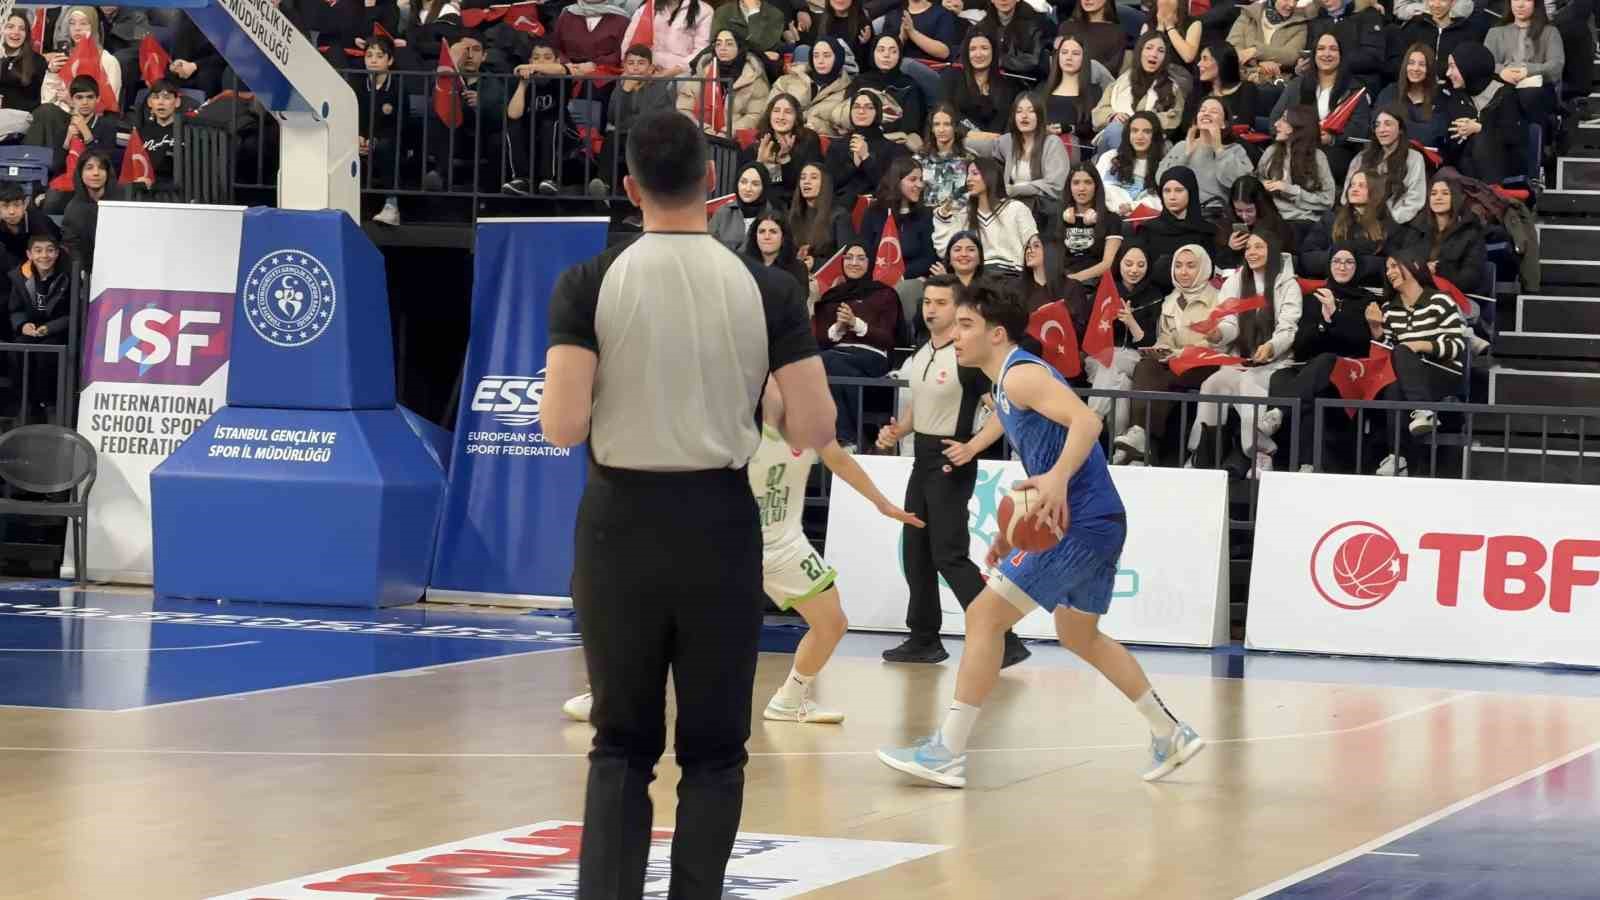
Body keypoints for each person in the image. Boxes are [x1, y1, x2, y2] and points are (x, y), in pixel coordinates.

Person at [540, 110, 835, 899]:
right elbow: (813, 426)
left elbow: (564, 424)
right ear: (712, 184)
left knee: (620, 745)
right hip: (718, 525)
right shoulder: (767, 287)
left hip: (619, 524)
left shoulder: (588, 281)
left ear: (630, 187)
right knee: (713, 751)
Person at [877, 276, 1203, 788]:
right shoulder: (1001, 386)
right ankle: (1171, 733)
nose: (955, 334)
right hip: (1093, 523)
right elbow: (1041, 463)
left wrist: (1057, 479)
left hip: (1081, 522)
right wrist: (1013, 530)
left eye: (966, 325)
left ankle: (946, 752)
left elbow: (1086, 423)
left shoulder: (1019, 377)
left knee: (984, 617)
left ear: (998, 334)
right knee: (1079, 635)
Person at [565, 374, 925, 726]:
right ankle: (604, 694)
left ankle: (790, 699)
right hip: (727, 546)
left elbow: (842, 463)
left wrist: (882, 504)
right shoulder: (730, 430)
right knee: (666, 627)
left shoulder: (810, 425)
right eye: (770, 378)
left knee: (832, 623)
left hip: (785, 547)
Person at [875, 274, 1028, 667]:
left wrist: (973, 445)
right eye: (927, 301)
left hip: (949, 460)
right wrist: (897, 431)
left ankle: (1002, 637)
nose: (930, 309)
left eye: (941, 303)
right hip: (921, 457)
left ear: (958, 309)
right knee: (916, 553)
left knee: (949, 554)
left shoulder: (967, 360)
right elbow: (920, 404)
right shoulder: (923, 352)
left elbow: (1003, 411)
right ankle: (924, 638)